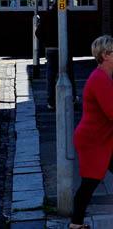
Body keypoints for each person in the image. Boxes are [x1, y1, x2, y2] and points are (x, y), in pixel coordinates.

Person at [71, 35, 113, 229]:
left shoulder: (106, 76)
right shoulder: (99, 79)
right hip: (93, 141)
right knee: (89, 183)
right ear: (105, 55)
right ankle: (75, 224)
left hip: (104, 139)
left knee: (90, 183)